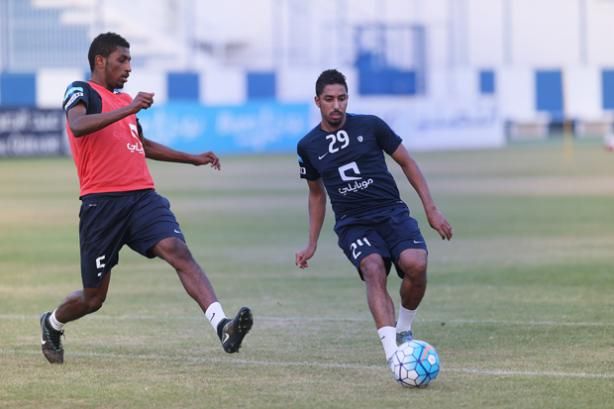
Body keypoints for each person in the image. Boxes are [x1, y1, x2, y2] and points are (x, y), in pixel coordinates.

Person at [40, 32, 253, 364]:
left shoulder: (124, 101)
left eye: (130, 60)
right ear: (100, 61)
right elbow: (78, 125)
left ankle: (222, 325)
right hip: (102, 205)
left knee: (178, 251)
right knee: (93, 299)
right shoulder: (80, 90)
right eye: (122, 60)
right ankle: (52, 323)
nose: (129, 67)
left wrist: (192, 158)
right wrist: (130, 108)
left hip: (142, 197)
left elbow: (142, 144)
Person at [295, 69, 452, 370]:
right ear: (317, 101)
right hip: (353, 223)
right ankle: (394, 355)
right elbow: (316, 195)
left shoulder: (371, 125)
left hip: (391, 212)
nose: (336, 105)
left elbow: (407, 162)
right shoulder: (308, 146)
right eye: (329, 99)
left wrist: (431, 209)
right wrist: (311, 243)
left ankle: (404, 328)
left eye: (342, 98)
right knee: (373, 267)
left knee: (416, 264)